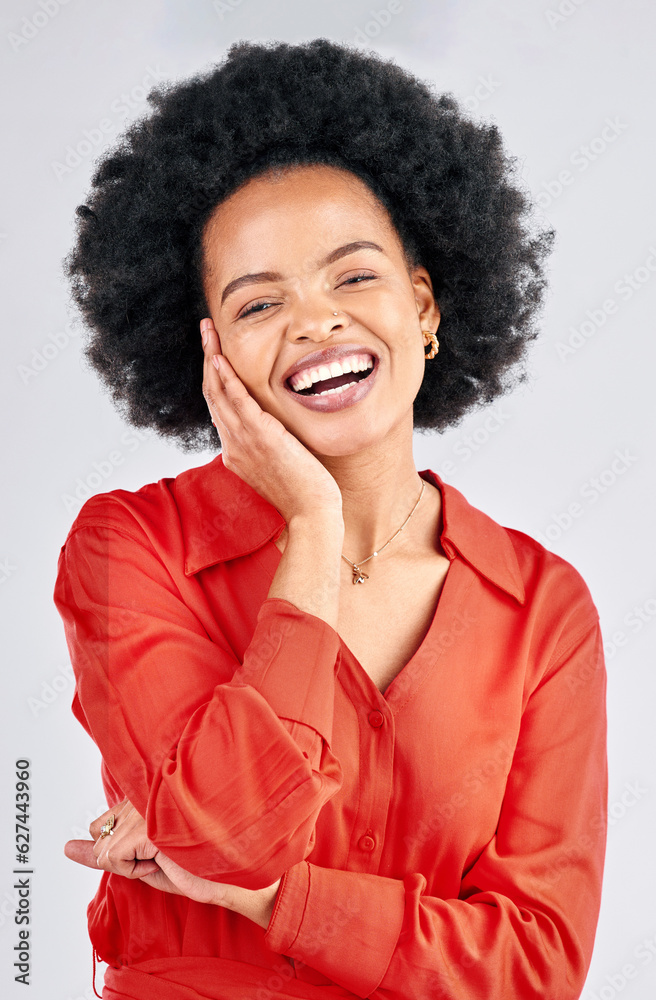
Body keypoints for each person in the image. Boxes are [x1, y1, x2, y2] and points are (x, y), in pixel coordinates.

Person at [53, 38, 607, 1000]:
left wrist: (272, 901)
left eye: (354, 277)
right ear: (210, 348)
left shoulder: (542, 609)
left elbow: (535, 970)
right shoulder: (131, 549)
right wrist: (312, 523)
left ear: (423, 306)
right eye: (261, 302)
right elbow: (229, 832)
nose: (318, 323)